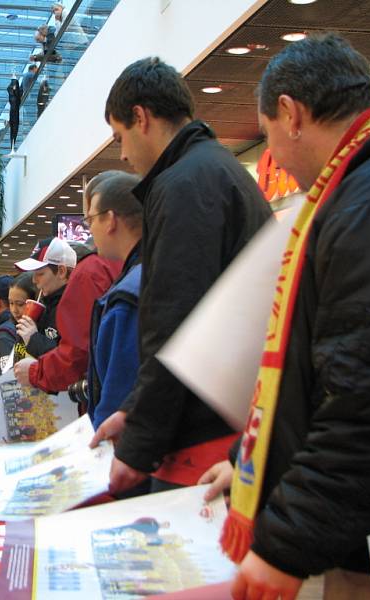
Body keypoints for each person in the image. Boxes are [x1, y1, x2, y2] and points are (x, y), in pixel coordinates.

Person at [199, 33, 370, 600]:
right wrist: (248, 465)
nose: (273, 161)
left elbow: (368, 403)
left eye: (266, 139)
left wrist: (286, 542)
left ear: (290, 114)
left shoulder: (369, 206)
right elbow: (319, 375)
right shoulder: (365, 191)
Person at [91, 56, 271, 495]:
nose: (124, 154)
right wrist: (134, 411)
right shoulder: (216, 169)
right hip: (229, 416)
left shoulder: (183, 184)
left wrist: (139, 444)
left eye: (121, 136)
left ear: (141, 116)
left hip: (204, 435)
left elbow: (175, 322)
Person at [14, 233, 122, 394]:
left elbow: (76, 359)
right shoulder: (44, 306)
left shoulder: (79, 298)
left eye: (40, 274)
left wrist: (34, 339)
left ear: (62, 271)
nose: (34, 281)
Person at [83, 172, 143, 428]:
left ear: (110, 220)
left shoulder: (128, 296)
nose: (89, 229)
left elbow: (118, 392)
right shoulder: (160, 270)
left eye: (90, 219)